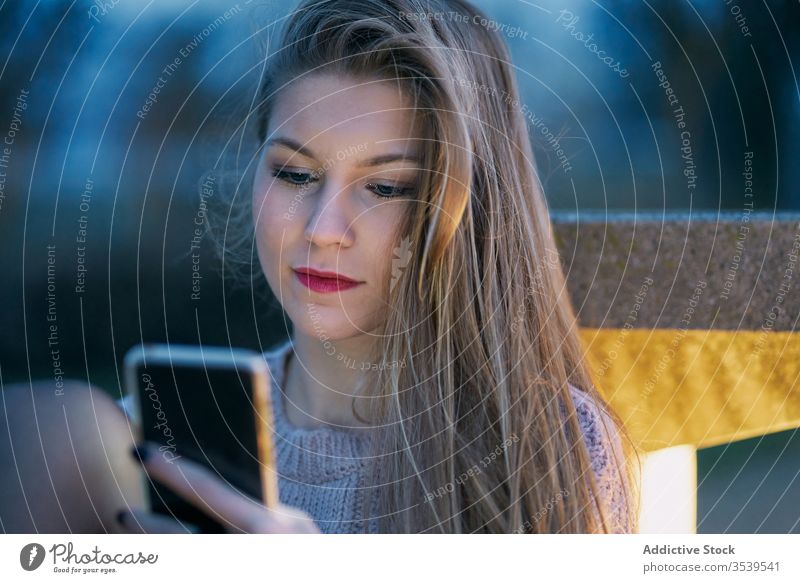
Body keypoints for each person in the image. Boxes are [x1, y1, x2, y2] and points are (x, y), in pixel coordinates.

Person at [0, 0, 638, 534]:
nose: (322, 229)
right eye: (294, 174)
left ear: (465, 209)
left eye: (386, 187)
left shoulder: (551, 447)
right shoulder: (138, 455)